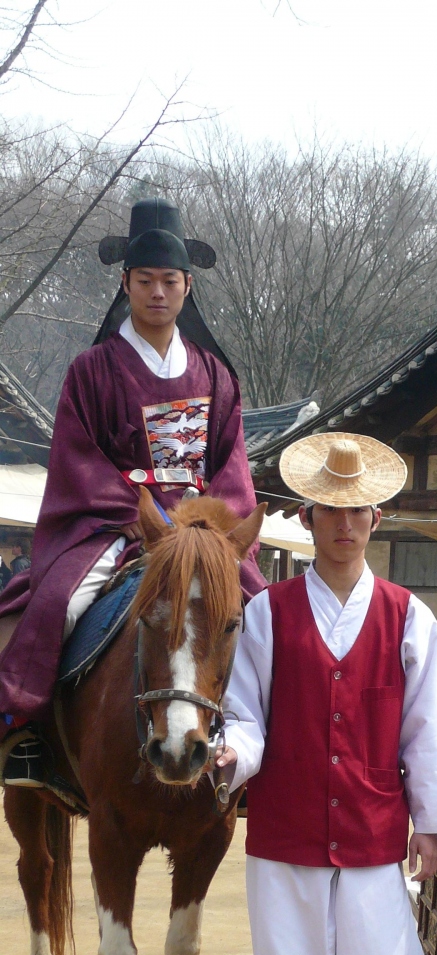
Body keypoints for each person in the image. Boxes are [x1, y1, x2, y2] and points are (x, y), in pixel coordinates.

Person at [216, 432, 437, 955]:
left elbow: (428, 726)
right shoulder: (267, 614)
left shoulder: (408, 616)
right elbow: (246, 715)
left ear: (376, 519)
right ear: (307, 516)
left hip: (371, 825)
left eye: (358, 511)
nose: (345, 524)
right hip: (286, 826)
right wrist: (233, 755)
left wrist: (432, 825)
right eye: (331, 510)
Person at [0, 197, 264, 786]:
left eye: (169, 281)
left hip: (201, 533)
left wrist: (201, 527)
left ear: (188, 286)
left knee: (265, 613)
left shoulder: (216, 375)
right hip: (115, 525)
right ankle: (28, 729)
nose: (157, 293)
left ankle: (264, 741)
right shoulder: (91, 370)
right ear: (125, 284)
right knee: (58, 604)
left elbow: (231, 467)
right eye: (145, 281)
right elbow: (78, 459)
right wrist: (142, 516)